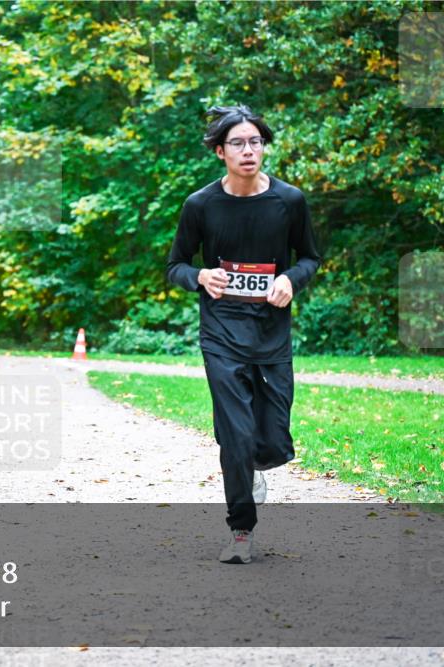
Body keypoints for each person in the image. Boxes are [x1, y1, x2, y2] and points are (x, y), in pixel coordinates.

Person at [165, 105, 321, 564]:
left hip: (272, 335)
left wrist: (291, 279)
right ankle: (240, 529)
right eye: (238, 143)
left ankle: (253, 466)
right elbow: (175, 265)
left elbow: (310, 257)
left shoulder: (289, 202)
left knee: (272, 442)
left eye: (255, 142)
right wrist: (200, 278)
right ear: (220, 152)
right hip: (221, 333)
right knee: (235, 433)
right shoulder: (201, 205)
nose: (249, 150)